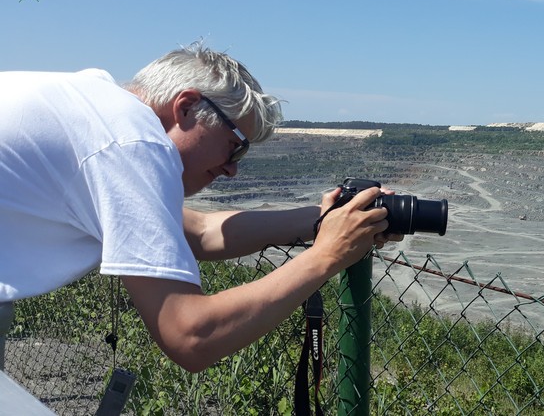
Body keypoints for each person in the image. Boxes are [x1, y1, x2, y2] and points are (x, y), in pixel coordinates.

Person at [0, 42, 402, 372]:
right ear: (187, 106)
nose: (231, 170)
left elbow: (201, 231)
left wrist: (323, 221)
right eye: (235, 146)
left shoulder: (95, 108)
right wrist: (327, 256)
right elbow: (190, 336)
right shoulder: (131, 141)